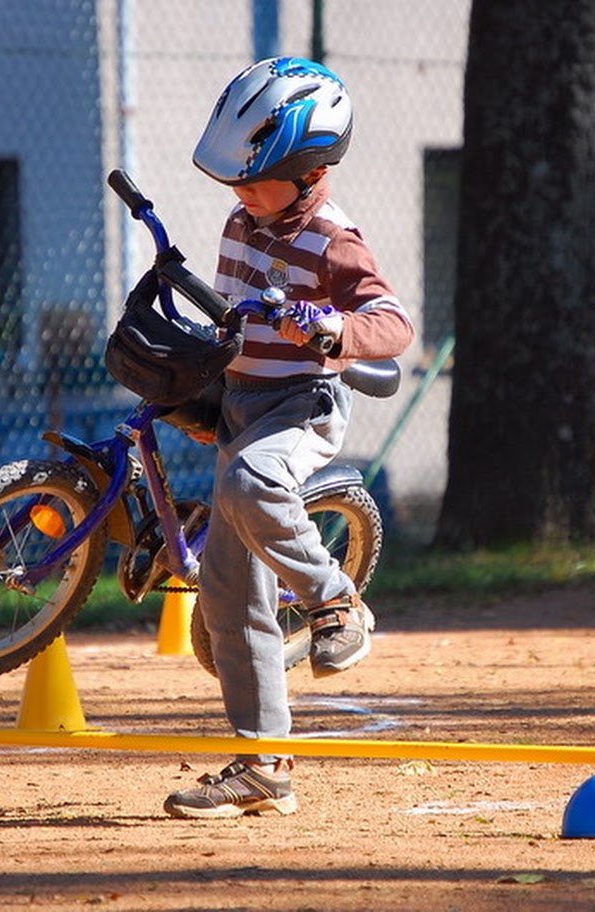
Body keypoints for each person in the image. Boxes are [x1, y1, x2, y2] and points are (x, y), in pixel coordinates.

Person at [163, 56, 413, 819]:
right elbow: (234, 313)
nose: (239, 194)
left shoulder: (335, 242)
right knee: (228, 595)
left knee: (248, 485)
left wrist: (333, 326)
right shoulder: (242, 222)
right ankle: (264, 766)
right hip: (243, 403)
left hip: (302, 403)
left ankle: (337, 602)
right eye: (235, 180)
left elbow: (394, 323)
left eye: (256, 177)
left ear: (308, 172)